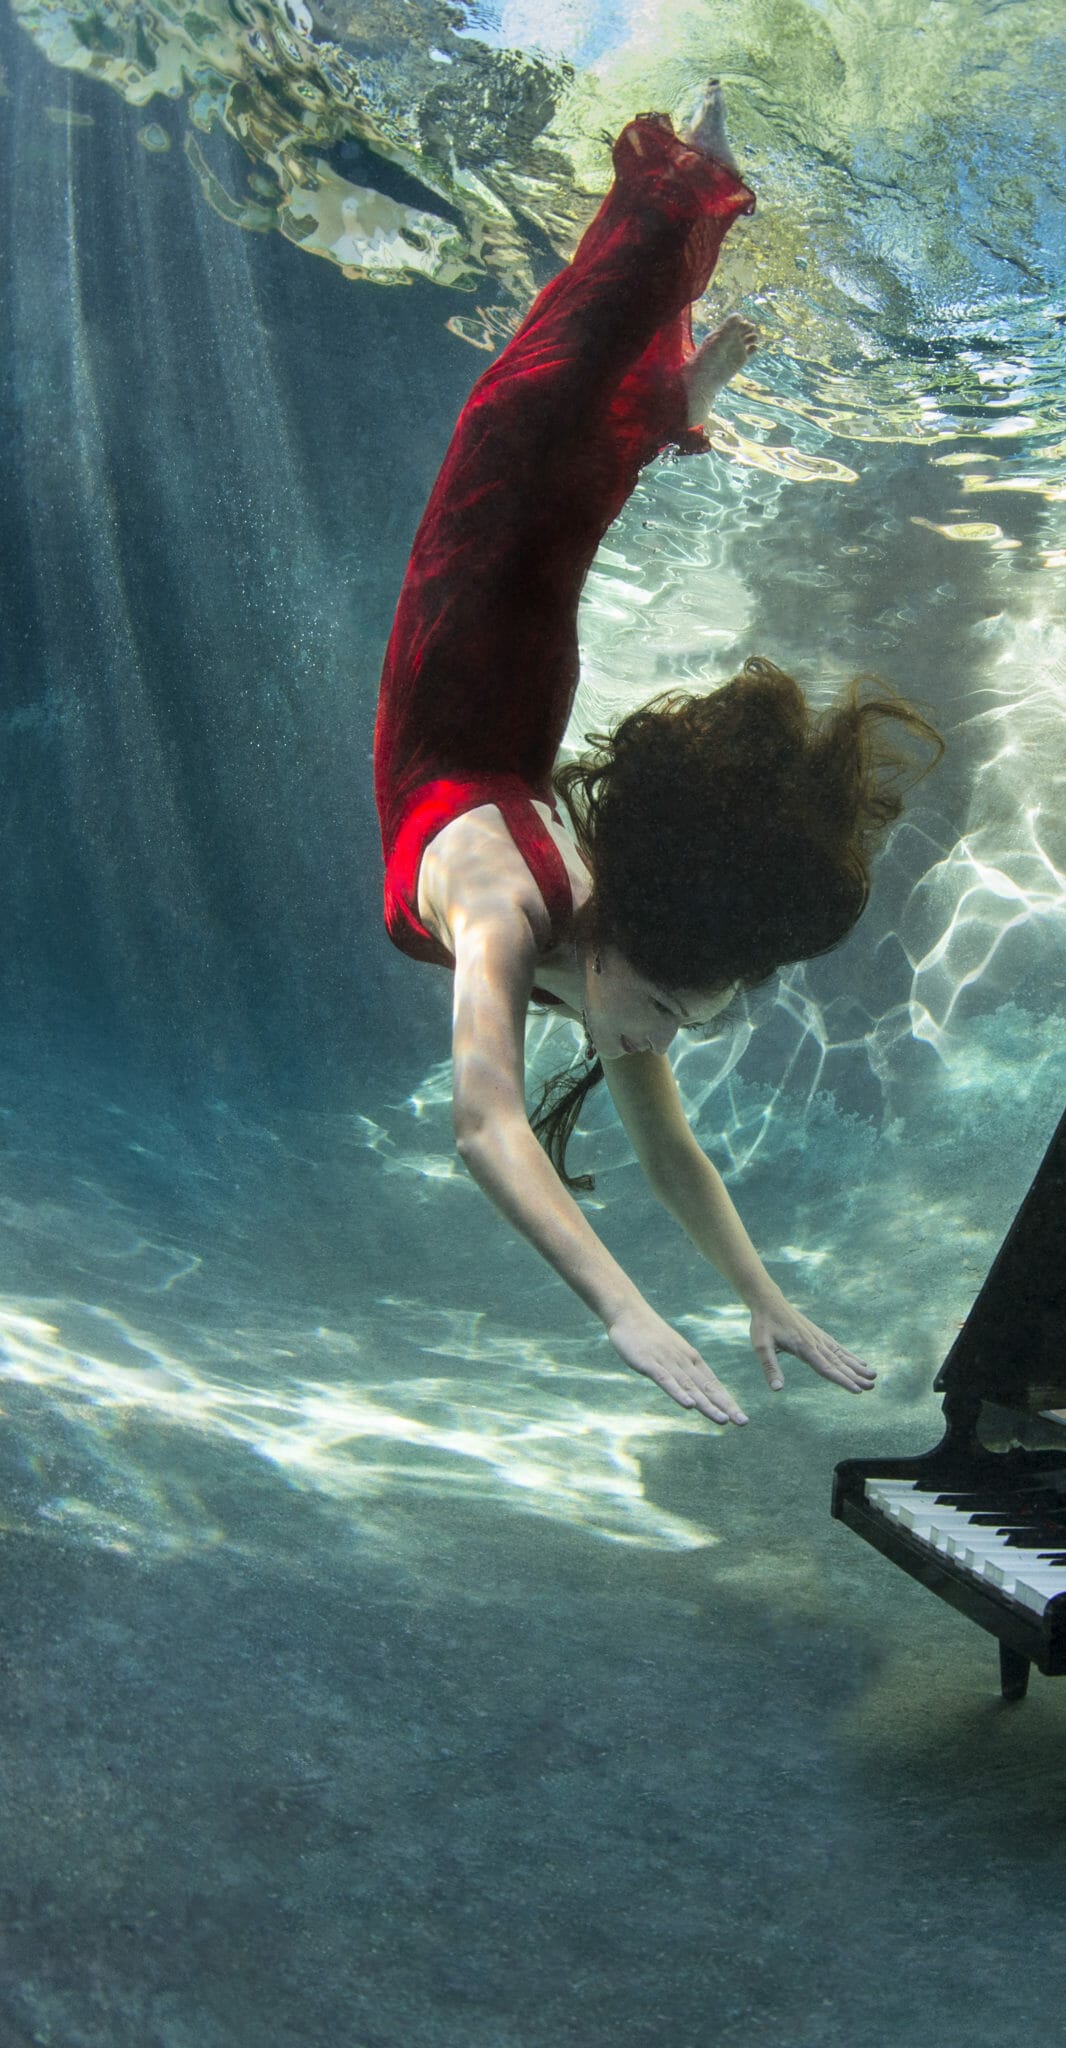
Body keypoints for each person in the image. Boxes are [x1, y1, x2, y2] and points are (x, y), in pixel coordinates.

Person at [374, 83, 942, 1427]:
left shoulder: (592, 952)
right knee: (543, 400)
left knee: (555, 481)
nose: (663, 1042)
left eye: (681, 1021)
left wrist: (761, 1295)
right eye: (679, 1017)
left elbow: (663, 1151)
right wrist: (629, 1312)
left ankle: (658, 406)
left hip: (493, 643)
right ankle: (687, 180)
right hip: (495, 606)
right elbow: (485, 1124)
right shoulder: (519, 909)